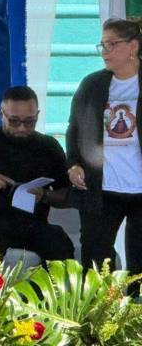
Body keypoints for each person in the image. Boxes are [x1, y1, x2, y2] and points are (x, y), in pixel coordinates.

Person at [67, 17, 142, 286]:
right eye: (102, 45)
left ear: (133, 46)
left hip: (140, 188)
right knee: (95, 259)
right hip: (102, 189)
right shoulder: (92, 84)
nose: (105, 52)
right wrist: (73, 164)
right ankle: (99, 311)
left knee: (139, 264)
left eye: (112, 44)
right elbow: (74, 129)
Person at [0, 86, 74, 266]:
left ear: (37, 115)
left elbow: (66, 195)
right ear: (1, 114)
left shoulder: (48, 146)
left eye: (30, 122)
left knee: (59, 242)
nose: (22, 128)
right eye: (14, 121)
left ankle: (56, 286)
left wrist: (44, 195)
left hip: (33, 223)